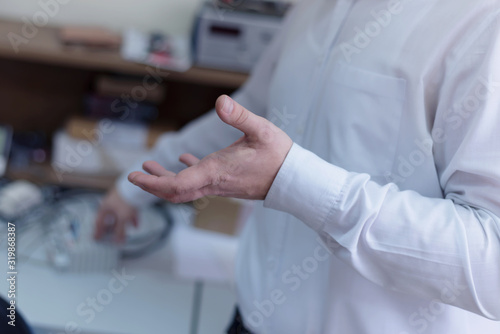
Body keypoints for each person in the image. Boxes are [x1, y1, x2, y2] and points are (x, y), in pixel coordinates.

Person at [95, 0, 500, 333]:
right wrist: (132, 188)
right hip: (252, 317)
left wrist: (292, 181)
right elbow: (251, 112)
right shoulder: (311, 8)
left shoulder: (485, 24)